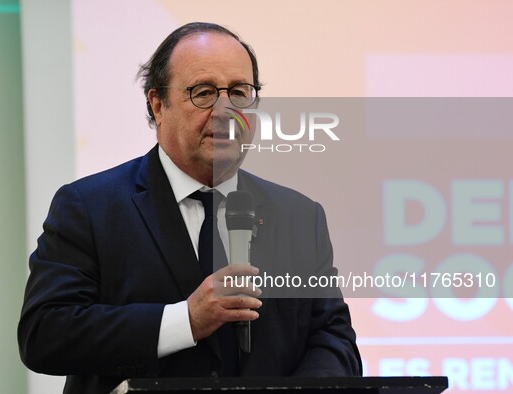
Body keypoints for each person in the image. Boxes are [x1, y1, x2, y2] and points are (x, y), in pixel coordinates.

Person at [18, 22, 362, 394]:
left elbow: (335, 341)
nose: (226, 109)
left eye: (240, 92)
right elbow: (45, 334)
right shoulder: (89, 206)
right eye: (204, 92)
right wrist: (185, 321)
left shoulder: (299, 216)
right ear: (157, 104)